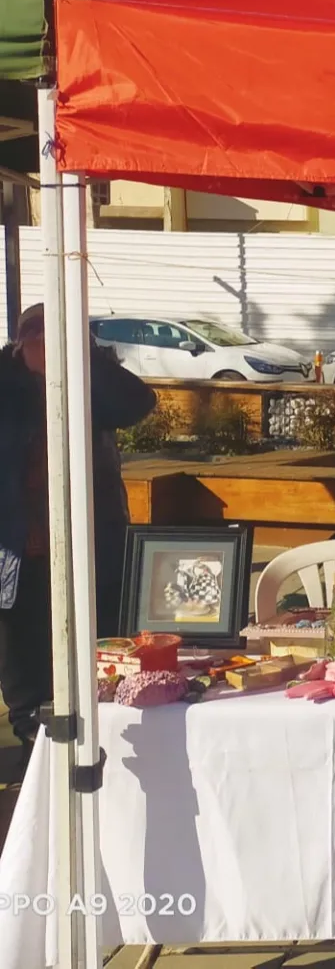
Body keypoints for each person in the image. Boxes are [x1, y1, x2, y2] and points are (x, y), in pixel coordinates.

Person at [0, 305, 155, 743]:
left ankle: (96, 742)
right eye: (41, 340)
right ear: (22, 343)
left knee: (98, 656)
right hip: (20, 548)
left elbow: (137, 402)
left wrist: (84, 361)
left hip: (90, 542)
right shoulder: (6, 382)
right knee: (26, 673)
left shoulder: (89, 382)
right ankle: (32, 744)